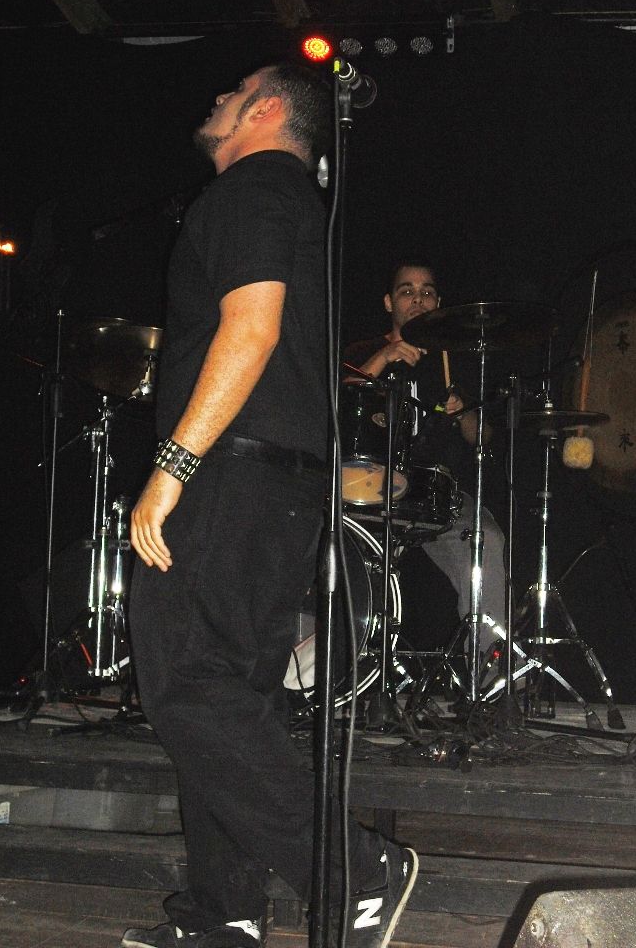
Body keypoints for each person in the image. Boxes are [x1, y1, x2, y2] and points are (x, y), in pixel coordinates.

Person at [123, 63, 417, 948]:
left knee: (183, 681)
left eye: (232, 91)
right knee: (231, 694)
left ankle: (355, 871)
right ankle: (226, 911)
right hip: (281, 482)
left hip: (230, 472)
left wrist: (173, 465)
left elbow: (249, 332)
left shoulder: (250, 189)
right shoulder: (293, 203)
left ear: (267, 109)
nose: (215, 98)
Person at [343, 262, 506, 676]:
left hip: (434, 493)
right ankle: (342, 671)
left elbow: (482, 438)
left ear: (438, 302)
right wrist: (385, 356)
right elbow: (338, 401)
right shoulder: (363, 352)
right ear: (388, 302)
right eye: (407, 291)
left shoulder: (451, 359)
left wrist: (464, 410)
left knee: (486, 539)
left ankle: (487, 678)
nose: (418, 300)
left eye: (427, 292)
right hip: (367, 489)